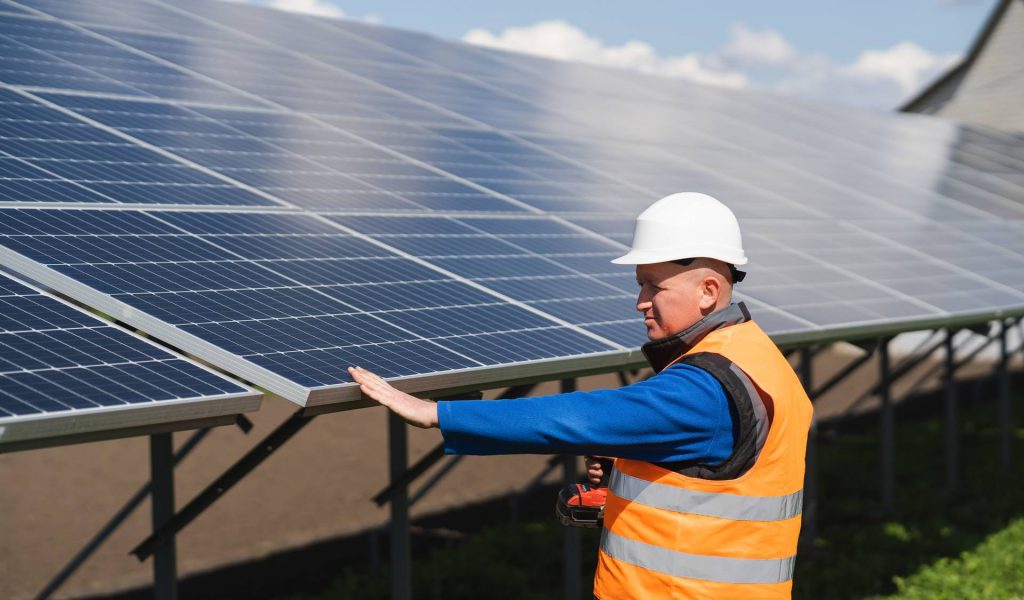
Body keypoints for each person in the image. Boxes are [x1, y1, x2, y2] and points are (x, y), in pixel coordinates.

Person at [349, 192, 813, 599]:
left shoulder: (705, 387)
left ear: (709, 291)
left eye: (655, 285)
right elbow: (717, 476)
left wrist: (438, 413)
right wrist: (633, 468)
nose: (641, 301)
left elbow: (580, 416)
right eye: (639, 285)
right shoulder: (756, 356)